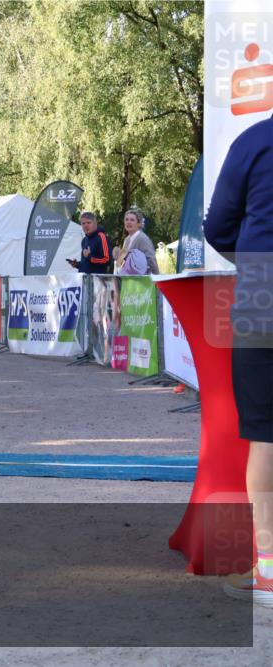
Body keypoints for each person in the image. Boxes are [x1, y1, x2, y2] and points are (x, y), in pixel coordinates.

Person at [204, 115, 273, 608]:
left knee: (266, 437)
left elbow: (217, 226)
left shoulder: (252, 142)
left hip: (262, 302)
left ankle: (269, 569)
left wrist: (252, 260)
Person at [112, 209, 159, 275]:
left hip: (143, 280)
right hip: (131, 279)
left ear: (139, 224)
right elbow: (124, 261)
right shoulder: (127, 239)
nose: (128, 222)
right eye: (126, 219)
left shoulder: (142, 239)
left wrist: (156, 279)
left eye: (132, 220)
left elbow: (151, 260)